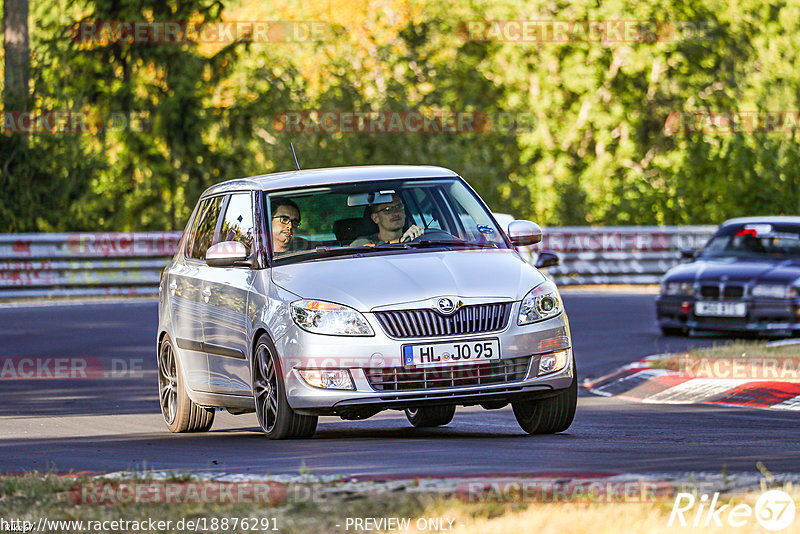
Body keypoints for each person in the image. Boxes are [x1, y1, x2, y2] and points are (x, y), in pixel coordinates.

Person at [351, 194, 424, 246]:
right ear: (375, 218)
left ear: (404, 213)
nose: (396, 213)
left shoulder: (415, 238)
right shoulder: (362, 242)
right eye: (388, 209)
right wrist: (400, 242)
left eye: (399, 207)